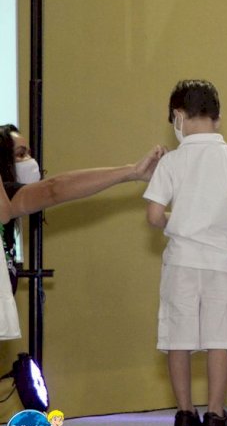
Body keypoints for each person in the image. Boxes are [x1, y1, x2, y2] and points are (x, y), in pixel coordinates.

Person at [144, 79, 227, 426]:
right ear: (218, 117)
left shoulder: (172, 161)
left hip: (180, 262)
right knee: (219, 337)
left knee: (178, 337)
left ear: (178, 116)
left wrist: (179, 222)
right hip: (223, 263)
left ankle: (184, 414)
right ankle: (214, 414)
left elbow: (153, 216)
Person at [0, 124, 165, 341]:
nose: (30, 161)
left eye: (29, 153)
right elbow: (55, 189)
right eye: (20, 155)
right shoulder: (10, 196)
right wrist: (131, 171)